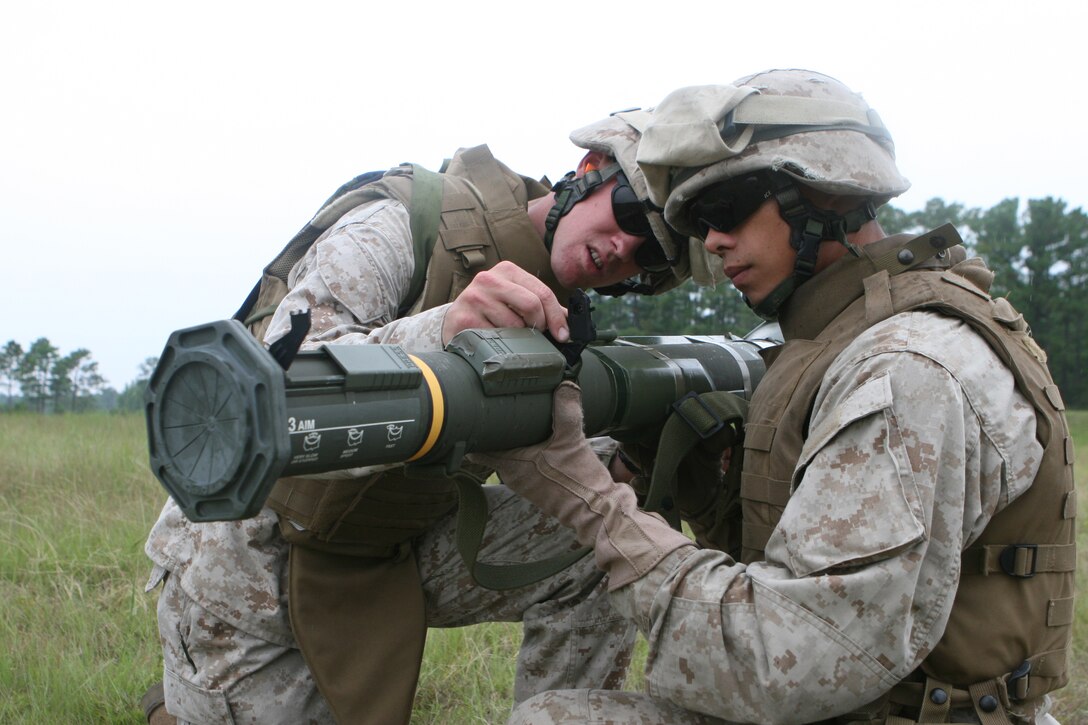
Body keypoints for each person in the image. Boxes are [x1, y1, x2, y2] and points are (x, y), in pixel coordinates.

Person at [473, 69, 1075, 725]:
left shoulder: (903, 370)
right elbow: (799, 575)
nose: (713, 241)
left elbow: (783, 663)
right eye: (699, 223)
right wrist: (707, 488)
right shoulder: (852, 337)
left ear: (823, 187)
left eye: (726, 209)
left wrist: (587, 496)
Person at [142, 109, 715, 725]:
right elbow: (274, 387)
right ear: (589, 171)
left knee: (608, 530)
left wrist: (630, 460)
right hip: (257, 560)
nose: (623, 247)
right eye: (629, 213)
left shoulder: (563, 316)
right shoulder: (402, 224)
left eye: (648, 252)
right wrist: (442, 330)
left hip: (394, 538)